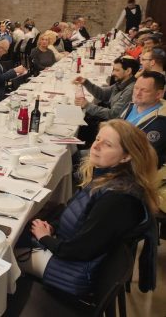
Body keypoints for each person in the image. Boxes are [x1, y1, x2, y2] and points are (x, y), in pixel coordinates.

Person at [16, 119, 159, 296]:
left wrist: (45, 238)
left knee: (7, 252)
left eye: (107, 144)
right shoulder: (109, 179)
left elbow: (79, 250)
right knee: (20, 229)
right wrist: (53, 226)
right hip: (74, 254)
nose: (96, 146)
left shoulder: (118, 199)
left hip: (76, 273)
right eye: (97, 139)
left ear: (126, 156)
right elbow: (75, 213)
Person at [121, 71, 166, 166]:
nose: (137, 93)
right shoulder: (131, 106)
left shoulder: (162, 122)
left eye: (144, 90)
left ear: (159, 94)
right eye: (136, 88)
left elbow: (142, 158)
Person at [74, 56, 139, 121]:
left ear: (128, 71)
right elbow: (103, 94)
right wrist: (86, 82)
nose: (113, 73)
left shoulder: (130, 90)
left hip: (111, 124)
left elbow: (113, 114)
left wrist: (87, 105)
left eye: (117, 70)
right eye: (113, 70)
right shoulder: (122, 82)